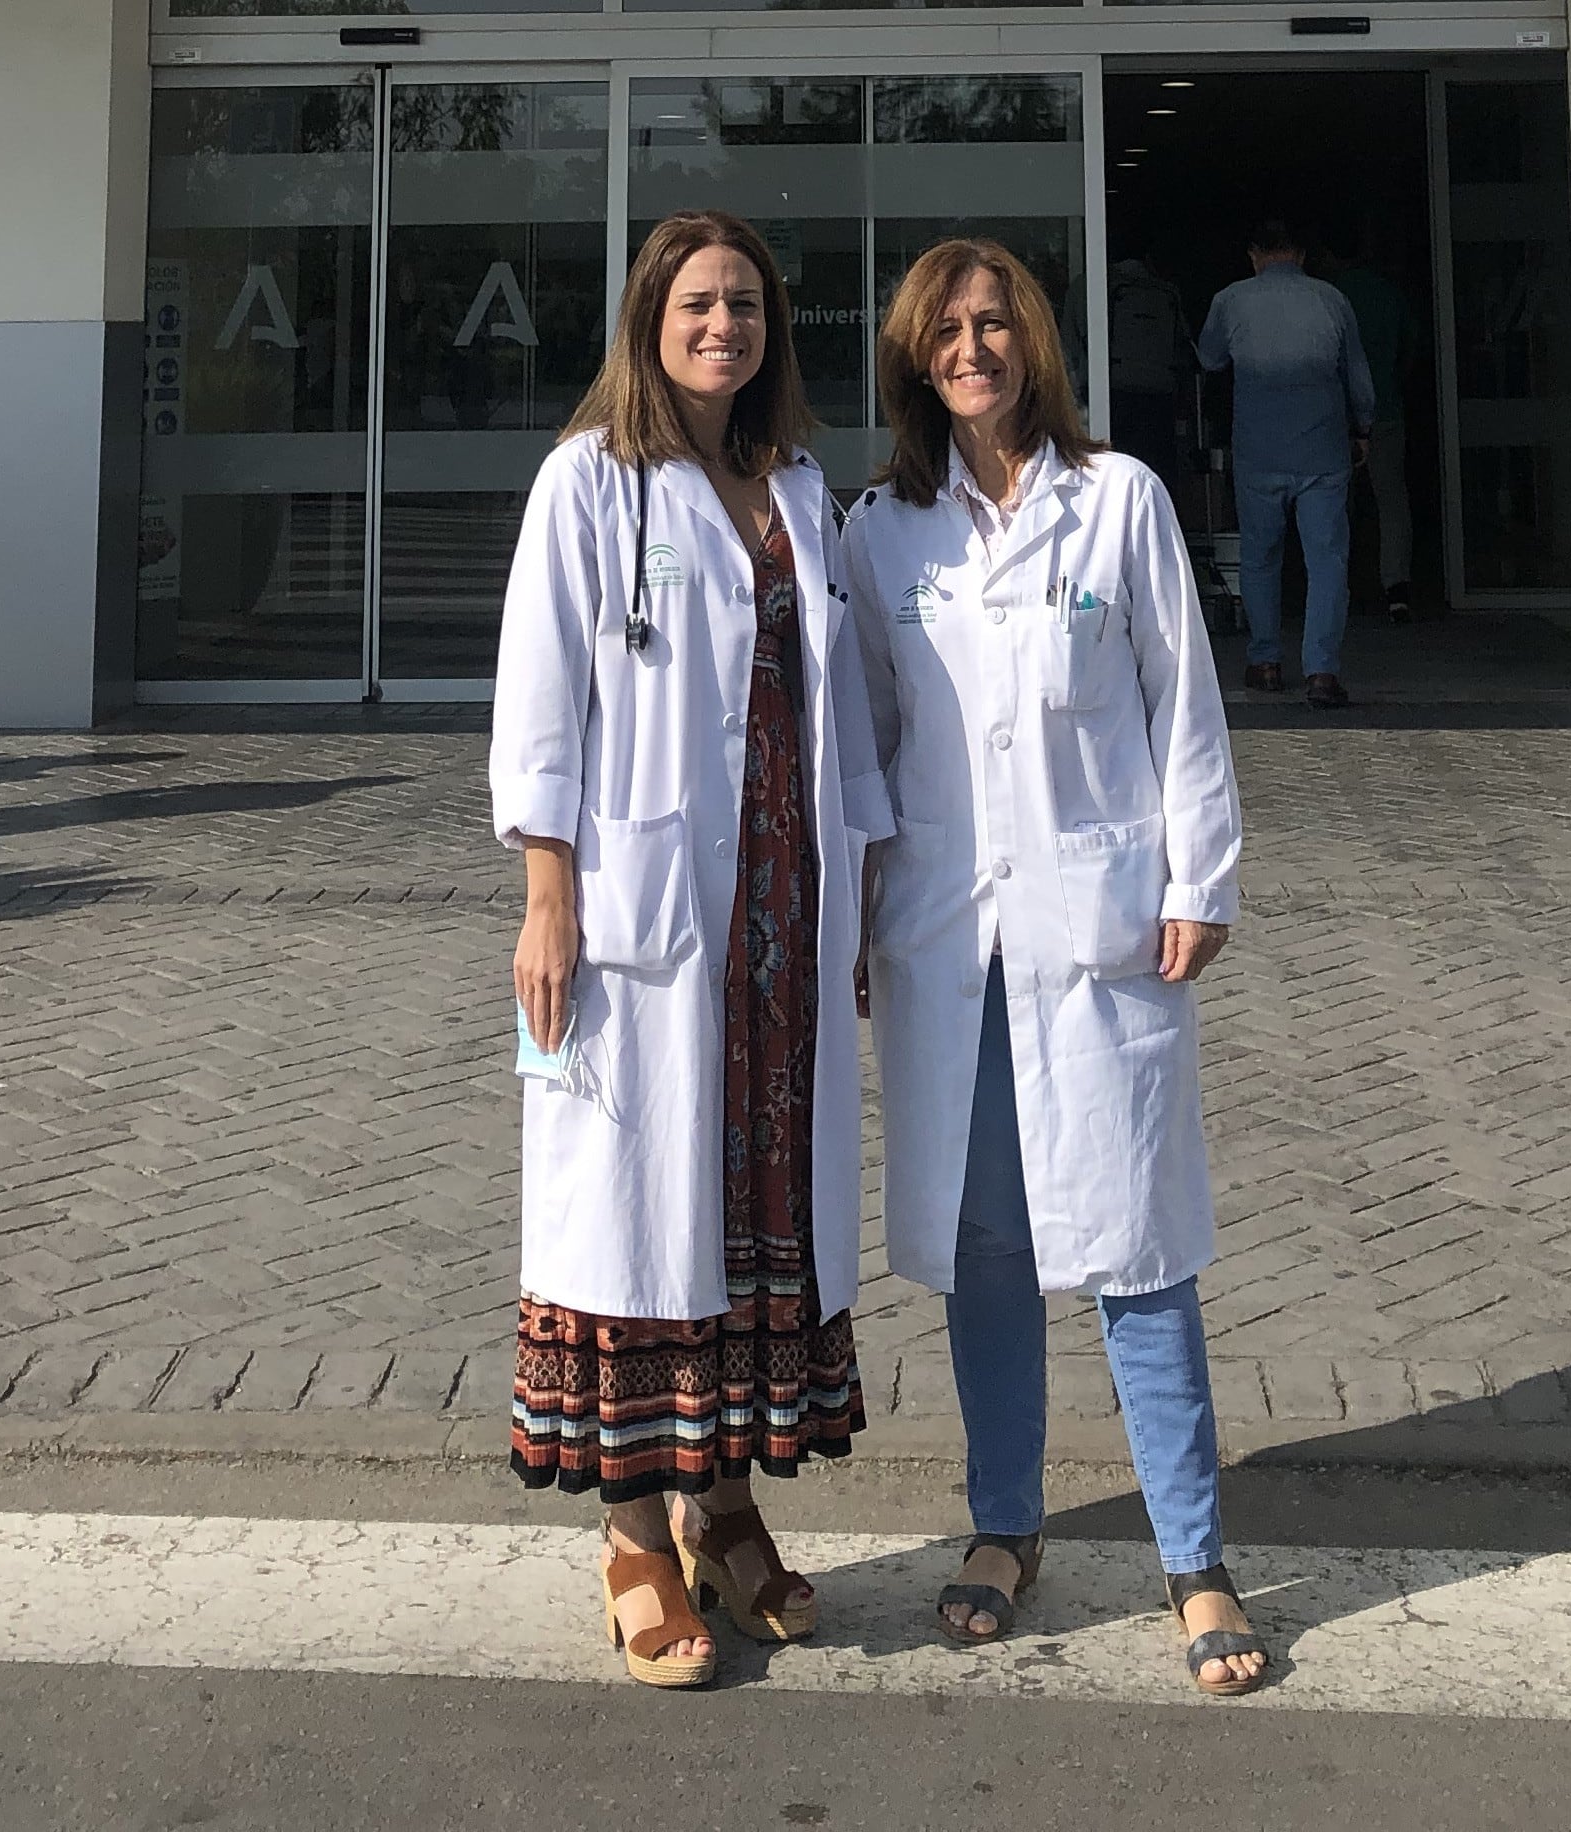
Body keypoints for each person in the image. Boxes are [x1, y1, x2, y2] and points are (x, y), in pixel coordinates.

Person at [842, 239, 1266, 1696]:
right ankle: (1003, 1527)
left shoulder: (1121, 501)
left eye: (995, 323)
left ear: (1034, 342)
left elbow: (1183, 701)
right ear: (915, 359)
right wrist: (851, 915)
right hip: (949, 944)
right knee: (987, 1256)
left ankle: (1195, 1557)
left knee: (1140, 1253)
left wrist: (1200, 877)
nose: (974, 348)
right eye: (947, 331)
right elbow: (863, 749)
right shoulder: (883, 532)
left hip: (1100, 936)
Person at [488, 209, 891, 1691]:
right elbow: (540, 702)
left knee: (747, 1208)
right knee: (632, 1220)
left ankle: (729, 1508)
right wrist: (548, 894)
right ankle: (636, 1539)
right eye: (698, 303)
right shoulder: (588, 482)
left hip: (786, 910)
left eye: (747, 304)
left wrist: (861, 889)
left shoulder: (794, 484)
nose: (725, 324)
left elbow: (840, 709)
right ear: (650, 320)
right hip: (644, 914)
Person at [1196, 218, 1374, 710]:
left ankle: (1266, 661)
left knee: (1259, 556)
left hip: (1258, 450)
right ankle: (1321, 672)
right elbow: (1357, 375)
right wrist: (1363, 428)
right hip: (1323, 450)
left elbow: (1209, 359)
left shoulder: (1230, 300)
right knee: (1327, 560)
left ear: (1255, 255)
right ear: (1300, 255)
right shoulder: (1331, 300)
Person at [1325, 228, 1414, 624]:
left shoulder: (1328, 297)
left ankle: (1336, 588)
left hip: (1335, 416)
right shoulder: (1387, 292)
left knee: (1335, 504)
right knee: (1392, 501)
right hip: (1387, 409)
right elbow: (1411, 345)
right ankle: (1397, 589)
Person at [1106, 252, 1191, 500]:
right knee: (1158, 472)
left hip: (1115, 391)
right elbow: (1183, 345)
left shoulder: (1094, 285)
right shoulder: (1166, 291)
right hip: (1159, 392)